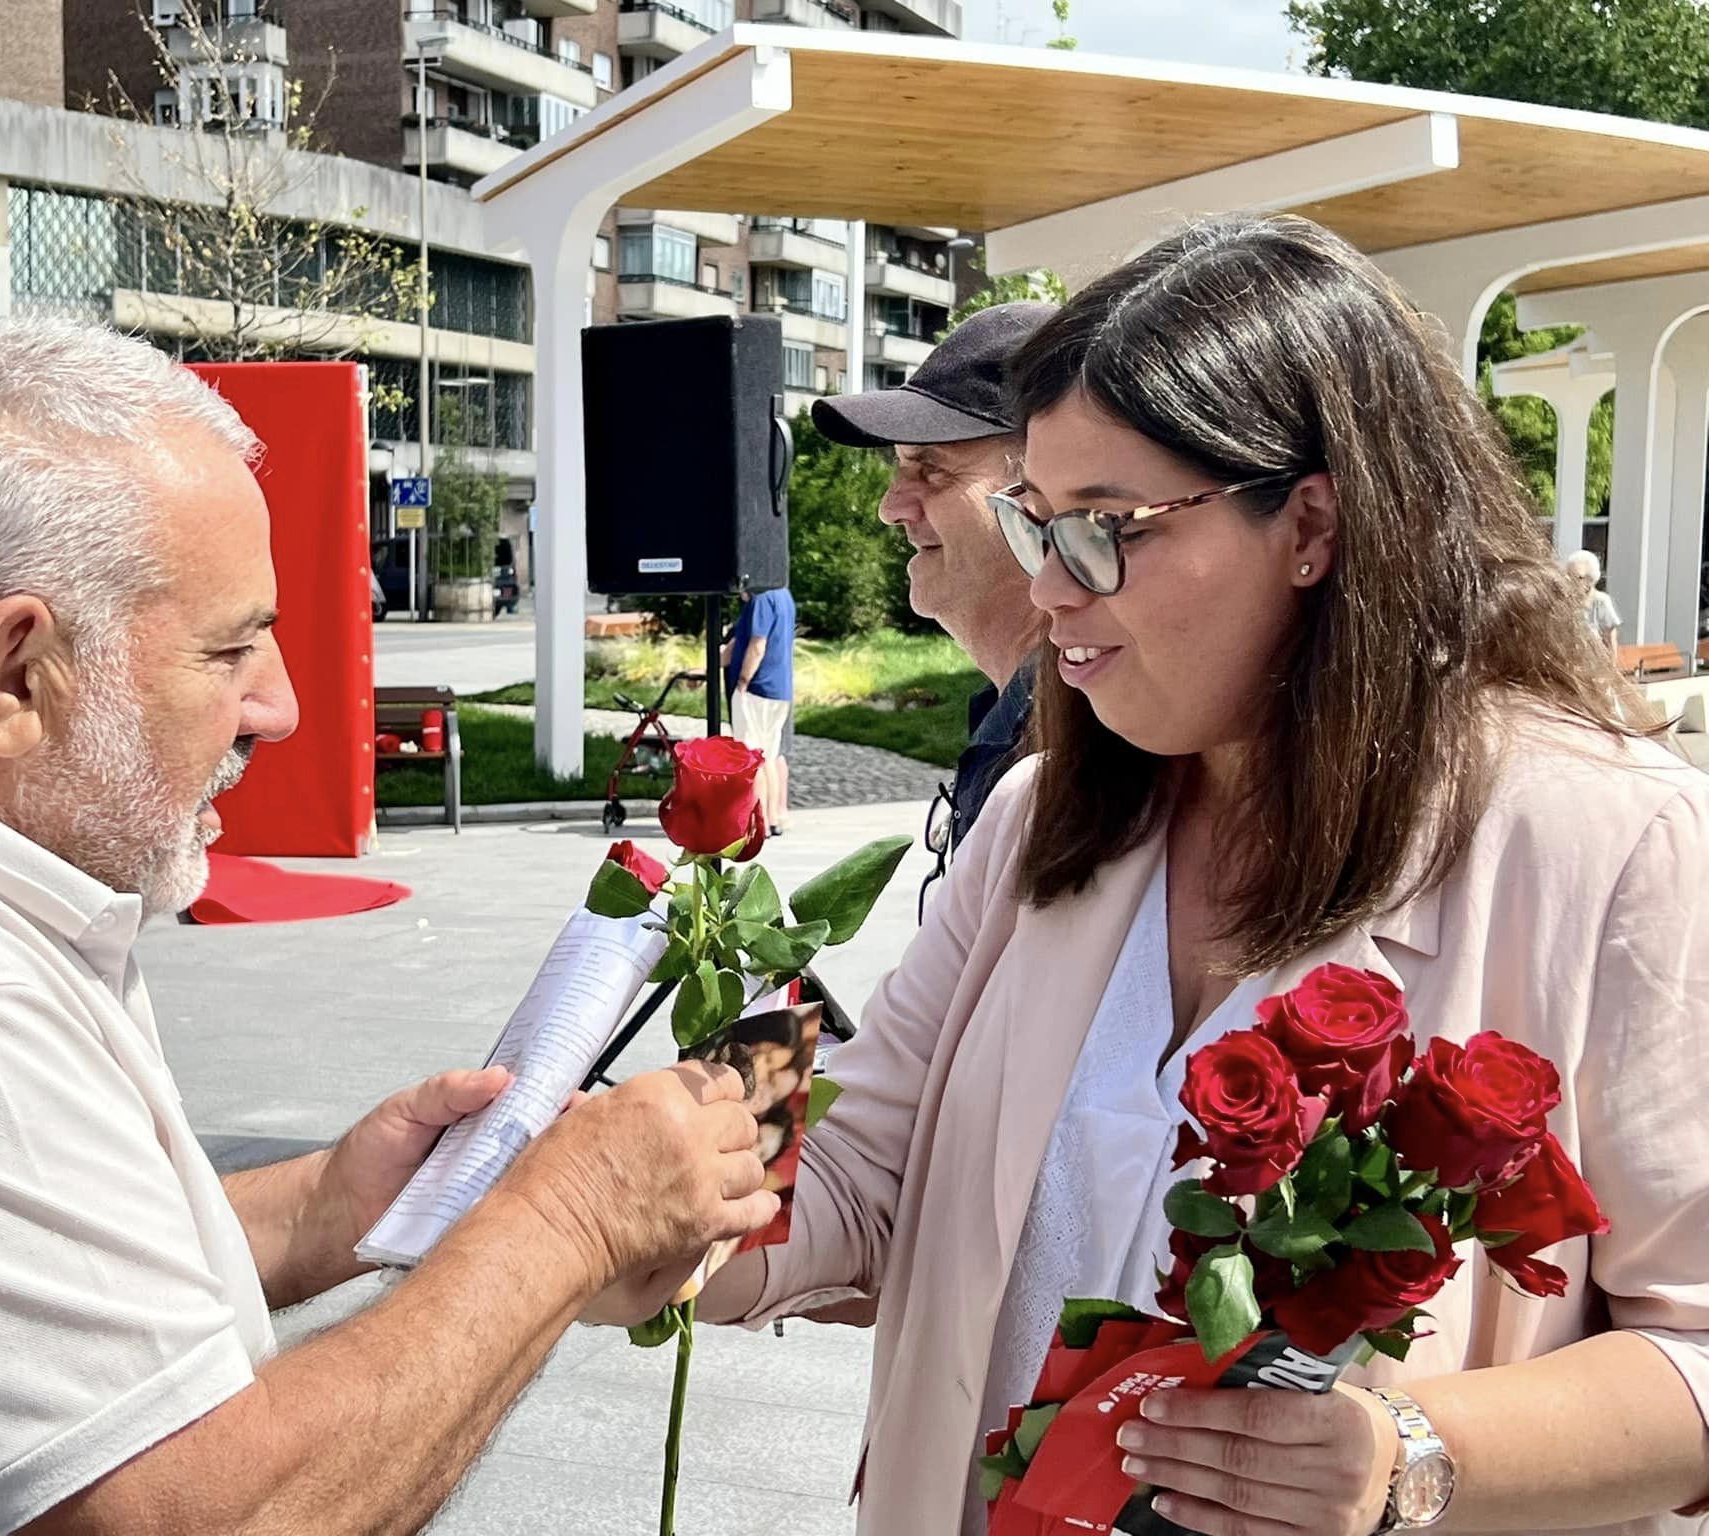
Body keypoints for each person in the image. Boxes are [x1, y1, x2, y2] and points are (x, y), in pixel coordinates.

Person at [634, 214, 1709, 1535]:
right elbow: (858, 1165)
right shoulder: (1040, 814)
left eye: (1105, 529)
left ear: (1312, 522)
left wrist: (1407, 1457)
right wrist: (645, 1200)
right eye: (1034, 525)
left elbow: (1695, 1345)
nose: (1054, 594)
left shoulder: (1617, 842)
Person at [0, 319, 779, 1536]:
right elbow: (217, 1518)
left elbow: (16, 1298)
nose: (279, 706)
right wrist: (568, 1219)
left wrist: (325, 1212)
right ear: (14, 678)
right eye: (232, 647)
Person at [811, 302, 1055, 907]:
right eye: (900, 468)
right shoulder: (1024, 712)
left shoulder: (1073, 745)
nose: (890, 506)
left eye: (933, 467)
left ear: (1046, 494)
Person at [723, 582, 796, 834]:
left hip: (756, 689)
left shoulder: (761, 598)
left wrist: (742, 682)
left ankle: (758, 822)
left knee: (752, 758)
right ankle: (773, 817)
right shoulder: (782, 594)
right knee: (769, 757)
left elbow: (757, 645)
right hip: (779, 690)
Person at [1567, 548, 1622, 660]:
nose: (1571, 580)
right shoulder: (1565, 601)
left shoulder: (1601, 601)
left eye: (1578, 577)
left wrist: (1611, 672)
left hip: (1594, 665)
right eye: (1569, 575)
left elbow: (1610, 639)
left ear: (1590, 578)